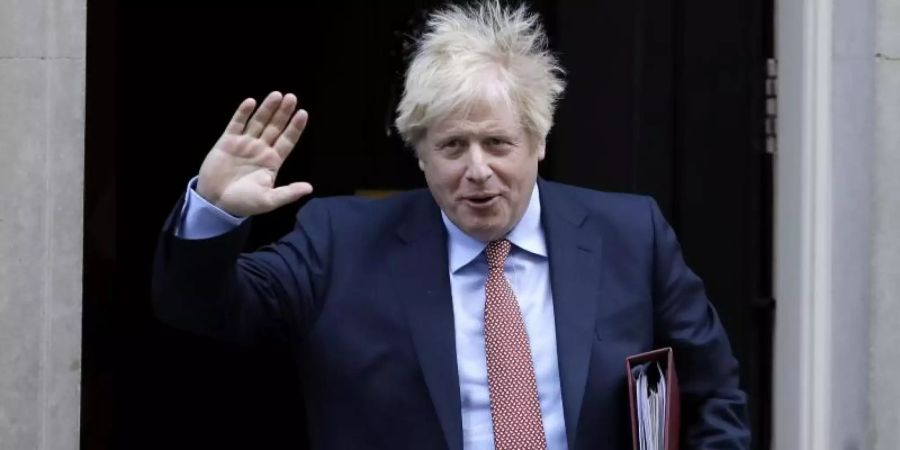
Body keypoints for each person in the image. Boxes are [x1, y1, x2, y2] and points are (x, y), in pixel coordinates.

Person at [152, 2, 751, 449]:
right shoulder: (341, 241)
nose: (477, 170)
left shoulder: (630, 235)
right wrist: (215, 207)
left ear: (538, 141)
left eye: (497, 143)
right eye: (452, 146)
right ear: (420, 154)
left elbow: (714, 396)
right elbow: (202, 309)